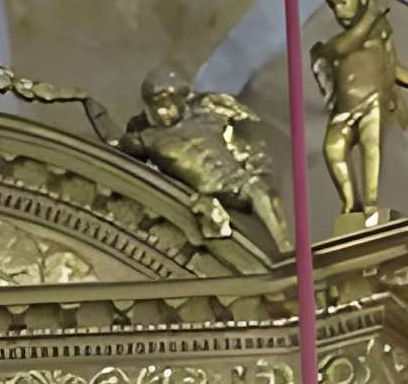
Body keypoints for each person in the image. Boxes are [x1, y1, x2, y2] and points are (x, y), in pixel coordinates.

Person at [310, 0, 408, 219]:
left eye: (343, 2)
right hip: (343, 108)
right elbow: (347, 44)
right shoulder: (335, 44)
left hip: (372, 101)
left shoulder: (380, 31)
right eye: (333, 6)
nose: (339, 11)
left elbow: (390, 66)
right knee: (333, 149)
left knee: (372, 147)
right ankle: (351, 203)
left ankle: (370, 203)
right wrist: (372, 13)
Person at [120, 66, 291, 253]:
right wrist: (89, 105)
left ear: (179, 98)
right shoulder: (148, 138)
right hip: (209, 192)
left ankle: (285, 249)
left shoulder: (207, 118)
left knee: (262, 192)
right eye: (157, 105)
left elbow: (250, 130)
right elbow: (114, 147)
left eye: (167, 103)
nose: (163, 112)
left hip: (237, 181)